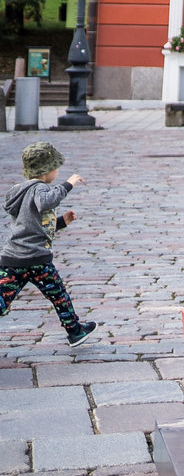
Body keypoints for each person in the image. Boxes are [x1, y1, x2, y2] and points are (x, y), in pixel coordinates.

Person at [1, 143, 97, 346]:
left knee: (2, 298)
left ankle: (76, 331)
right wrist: (68, 184)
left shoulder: (22, 191)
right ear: (47, 170)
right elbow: (47, 201)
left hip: (13, 258)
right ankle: (75, 332)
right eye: (56, 168)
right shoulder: (39, 188)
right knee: (59, 296)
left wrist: (62, 221)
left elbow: (35, 226)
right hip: (37, 260)